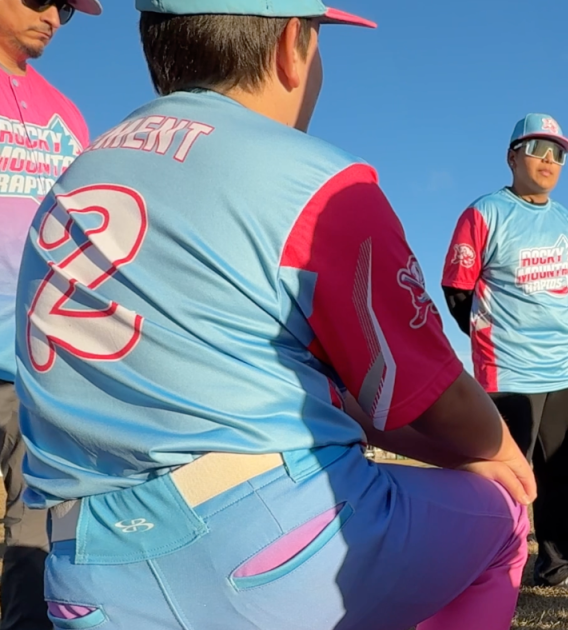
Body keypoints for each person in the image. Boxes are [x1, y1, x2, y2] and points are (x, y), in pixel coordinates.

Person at [14, 2, 534, 629]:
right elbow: (435, 396)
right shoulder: (312, 177)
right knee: (506, 518)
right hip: (265, 550)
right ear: (293, 45)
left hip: (82, 567)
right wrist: (503, 455)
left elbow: (324, 398)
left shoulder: (73, 174)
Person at [441, 114, 568, 592]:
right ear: (512, 156)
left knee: (565, 478)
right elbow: (456, 289)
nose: (550, 161)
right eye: (538, 149)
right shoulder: (484, 213)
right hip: (507, 370)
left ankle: (557, 568)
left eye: (559, 153)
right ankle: (486, 571)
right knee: (503, 477)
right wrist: (494, 339)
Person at [0, 1, 98, 628]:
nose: (54, 18)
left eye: (66, 6)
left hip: (38, 368)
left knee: (36, 555)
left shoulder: (68, 116)